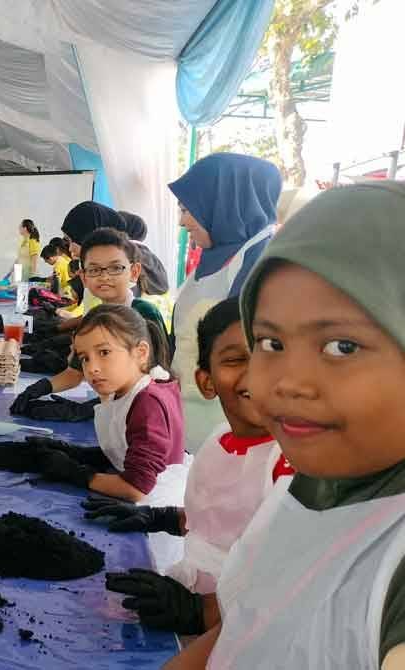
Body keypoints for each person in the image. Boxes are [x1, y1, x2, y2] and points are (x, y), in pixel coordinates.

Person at [165, 182, 405, 670]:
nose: (287, 383)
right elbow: (246, 626)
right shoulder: (304, 487)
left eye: (341, 346)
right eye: (271, 343)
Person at [90, 297, 293, 635]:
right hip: (192, 592)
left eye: (274, 354)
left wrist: (201, 612)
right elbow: (220, 520)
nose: (257, 372)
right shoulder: (218, 442)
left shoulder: (288, 465)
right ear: (206, 382)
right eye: (236, 359)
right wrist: (163, 518)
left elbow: (289, 580)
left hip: (238, 626)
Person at [42, 304, 186, 570]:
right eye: (85, 358)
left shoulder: (148, 402)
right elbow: (127, 448)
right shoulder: (125, 391)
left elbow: (136, 487)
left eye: (104, 353)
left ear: (140, 353)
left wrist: (76, 473)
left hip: (152, 520)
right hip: (140, 505)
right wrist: (72, 452)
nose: (92, 368)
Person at [167, 153, 281, 454]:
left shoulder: (262, 260)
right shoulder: (215, 255)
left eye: (188, 209)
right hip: (193, 424)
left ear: (225, 201)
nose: (183, 221)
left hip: (233, 435)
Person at [12, 228, 170, 413]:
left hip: (145, 414)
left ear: (134, 272)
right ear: (84, 278)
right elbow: (74, 374)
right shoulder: (94, 321)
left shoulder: (144, 314)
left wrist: (88, 409)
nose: (104, 276)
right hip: (111, 413)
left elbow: (157, 378)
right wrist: (39, 389)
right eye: (94, 270)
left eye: (115, 268)